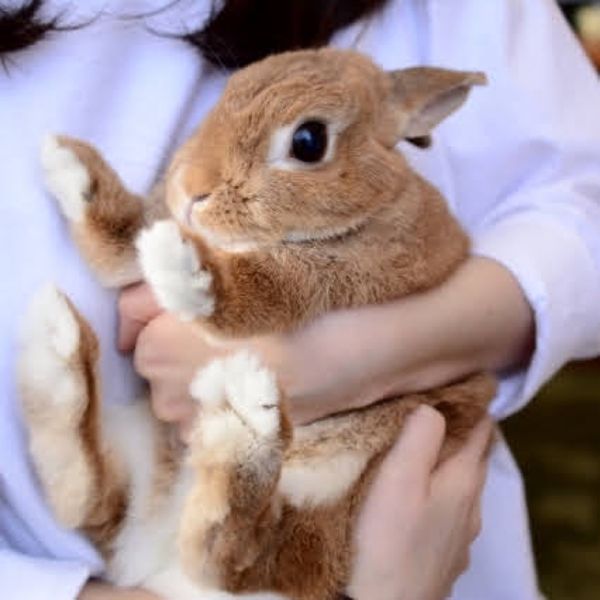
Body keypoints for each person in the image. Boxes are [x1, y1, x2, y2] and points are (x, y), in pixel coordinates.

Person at [0, 0, 599, 599]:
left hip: (402, 530)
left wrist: (356, 356)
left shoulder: (397, 198)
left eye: (308, 143)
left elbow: (579, 201)